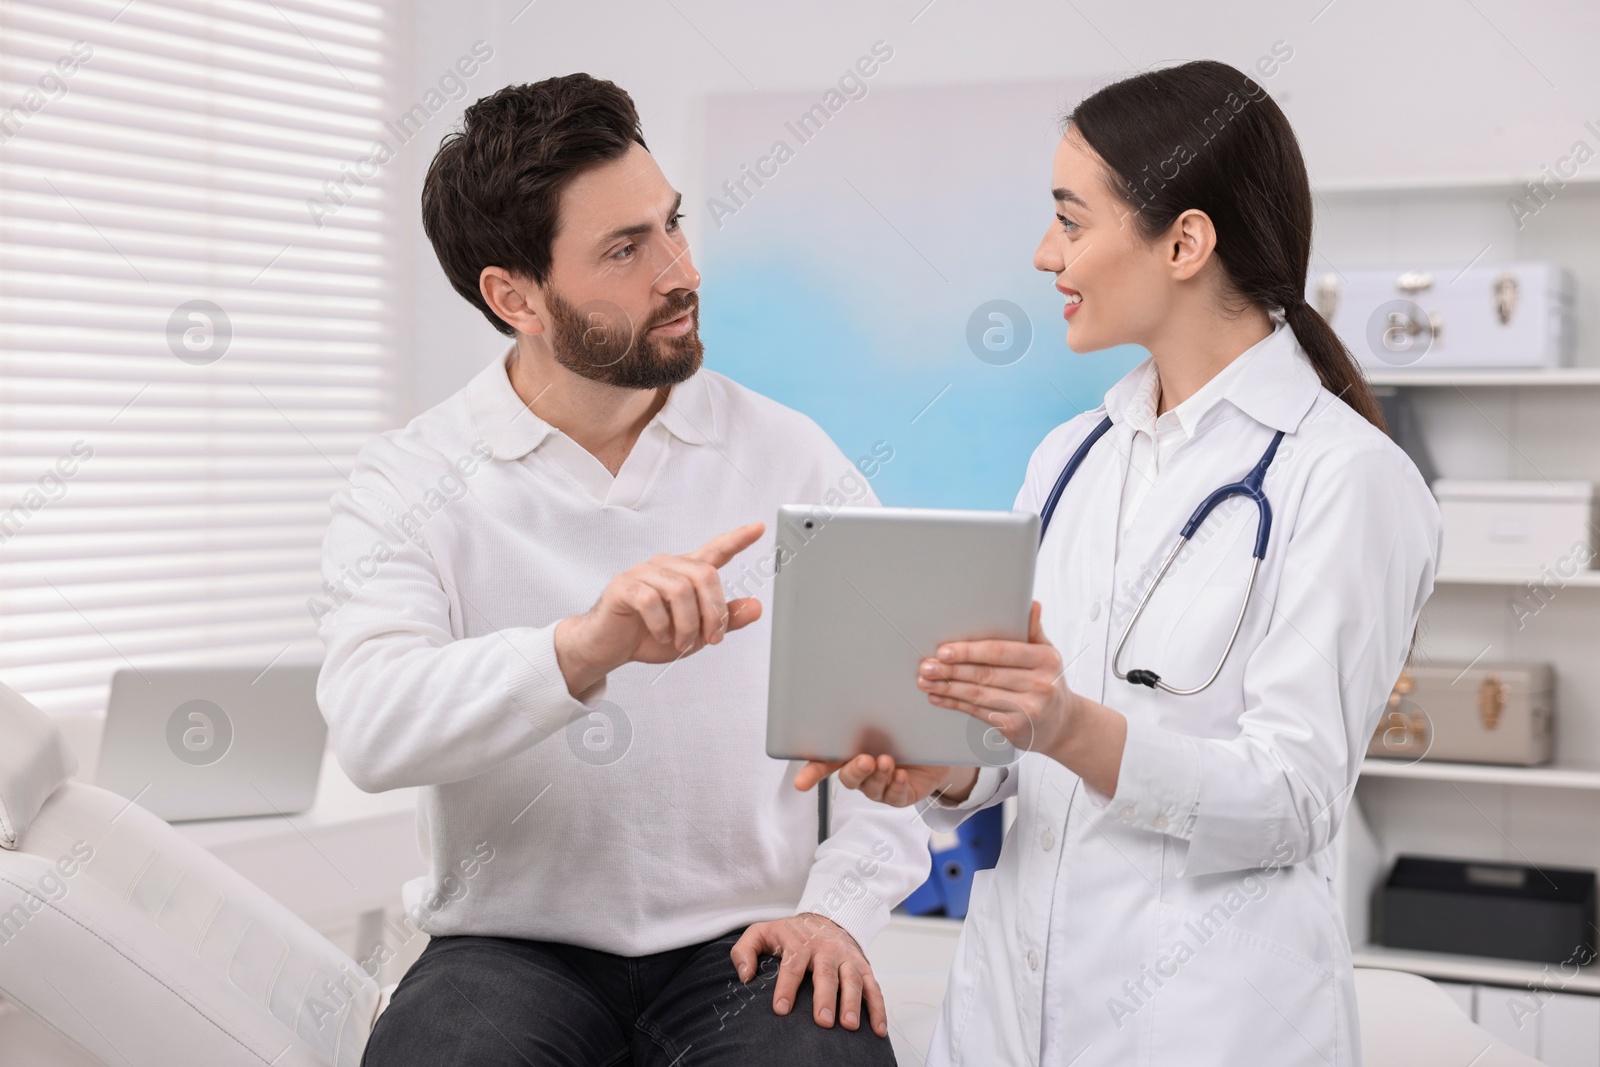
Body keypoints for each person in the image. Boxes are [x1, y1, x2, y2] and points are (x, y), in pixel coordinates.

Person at [797, 60, 1441, 1066]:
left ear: (1184, 240)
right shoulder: (1069, 458)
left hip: (1208, 1026)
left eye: (1071, 219)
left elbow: (1294, 800)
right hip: (1008, 1022)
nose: (1044, 253)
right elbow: (1021, 756)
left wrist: (1069, 725)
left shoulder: (1346, 479)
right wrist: (952, 764)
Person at [318, 74, 927, 1066]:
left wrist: (840, 910)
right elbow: (373, 725)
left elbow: (893, 737)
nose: (679, 270)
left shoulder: (790, 455)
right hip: (506, 946)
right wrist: (584, 647)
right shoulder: (414, 476)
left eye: (672, 225)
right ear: (515, 296)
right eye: (624, 249)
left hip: (747, 936)